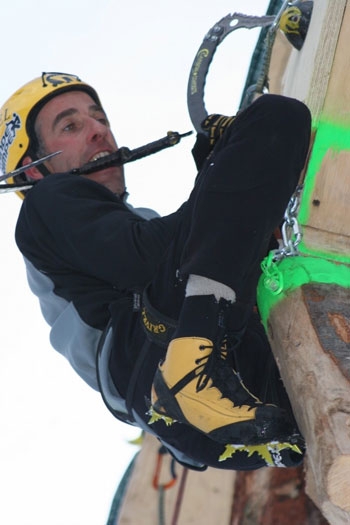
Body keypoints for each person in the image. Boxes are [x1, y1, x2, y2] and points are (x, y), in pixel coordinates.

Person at [0, 72, 311, 471]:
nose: (99, 131)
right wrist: (224, 173)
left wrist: (229, 186)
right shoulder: (47, 202)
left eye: (101, 119)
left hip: (214, 405)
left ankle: (197, 372)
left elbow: (206, 260)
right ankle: (190, 370)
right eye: (71, 126)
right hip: (158, 362)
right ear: (33, 170)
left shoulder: (126, 226)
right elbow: (143, 259)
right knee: (274, 118)